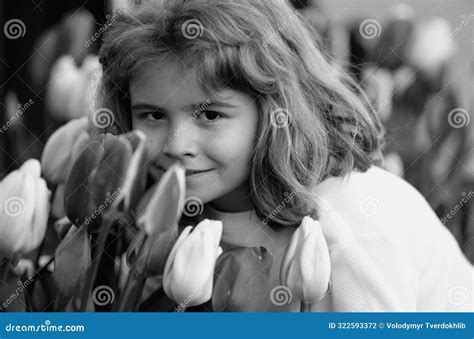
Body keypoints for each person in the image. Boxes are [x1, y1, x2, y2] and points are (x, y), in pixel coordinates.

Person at [96, 0, 472, 312]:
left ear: (276, 109)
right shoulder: (170, 207)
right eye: (153, 115)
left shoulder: (350, 215)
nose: (177, 145)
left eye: (210, 115)